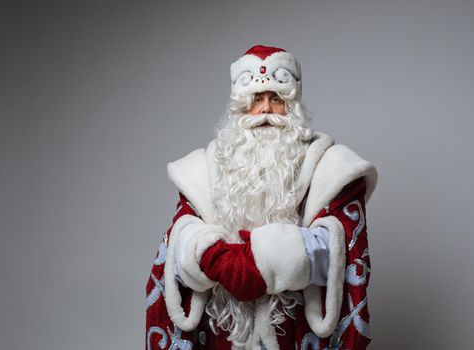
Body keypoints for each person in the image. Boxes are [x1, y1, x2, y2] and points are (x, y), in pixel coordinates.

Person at [145, 45, 378, 350]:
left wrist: (264, 263)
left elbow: (344, 248)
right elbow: (179, 237)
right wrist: (215, 258)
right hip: (223, 333)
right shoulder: (205, 167)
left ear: (292, 107)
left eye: (276, 99)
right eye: (255, 99)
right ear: (239, 108)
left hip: (295, 332)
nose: (265, 109)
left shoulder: (330, 167)